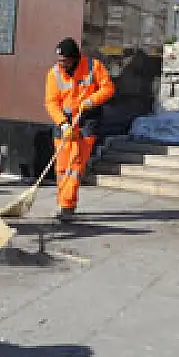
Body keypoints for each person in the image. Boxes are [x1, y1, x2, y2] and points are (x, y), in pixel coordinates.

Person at [43, 37, 115, 223]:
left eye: (64, 61)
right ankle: (63, 202)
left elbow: (108, 89)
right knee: (61, 167)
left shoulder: (94, 66)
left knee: (76, 165)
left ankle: (66, 206)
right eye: (59, 60)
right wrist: (62, 123)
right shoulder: (54, 73)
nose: (61, 64)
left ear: (75, 58)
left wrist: (91, 100)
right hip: (64, 122)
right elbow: (51, 102)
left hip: (87, 120)